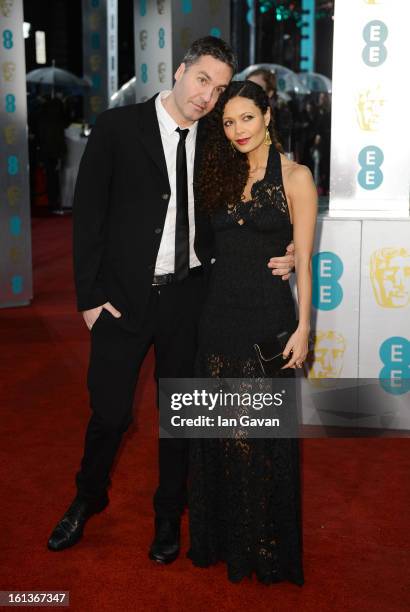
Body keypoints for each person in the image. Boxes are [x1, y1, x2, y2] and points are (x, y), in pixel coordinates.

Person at [46, 37, 295, 562]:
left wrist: (289, 247)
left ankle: (167, 514)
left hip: (191, 299)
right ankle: (87, 498)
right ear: (181, 71)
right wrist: (90, 299)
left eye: (220, 88)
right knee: (110, 414)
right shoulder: (118, 127)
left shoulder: (217, 139)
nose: (209, 96)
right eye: (203, 80)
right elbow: (87, 215)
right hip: (121, 301)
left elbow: (262, 184)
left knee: (179, 414)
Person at [187, 81, 317, 584]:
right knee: (219, 431)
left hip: (267, 316)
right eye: (228, 122)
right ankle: (222, 538)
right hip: (217, 315)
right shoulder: (218, 170)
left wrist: (304, 326)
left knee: (258, 435)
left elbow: (302, 260)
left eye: (246, 117)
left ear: (267, 115)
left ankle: (263, 546)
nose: (238, 130)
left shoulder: (296, 176)